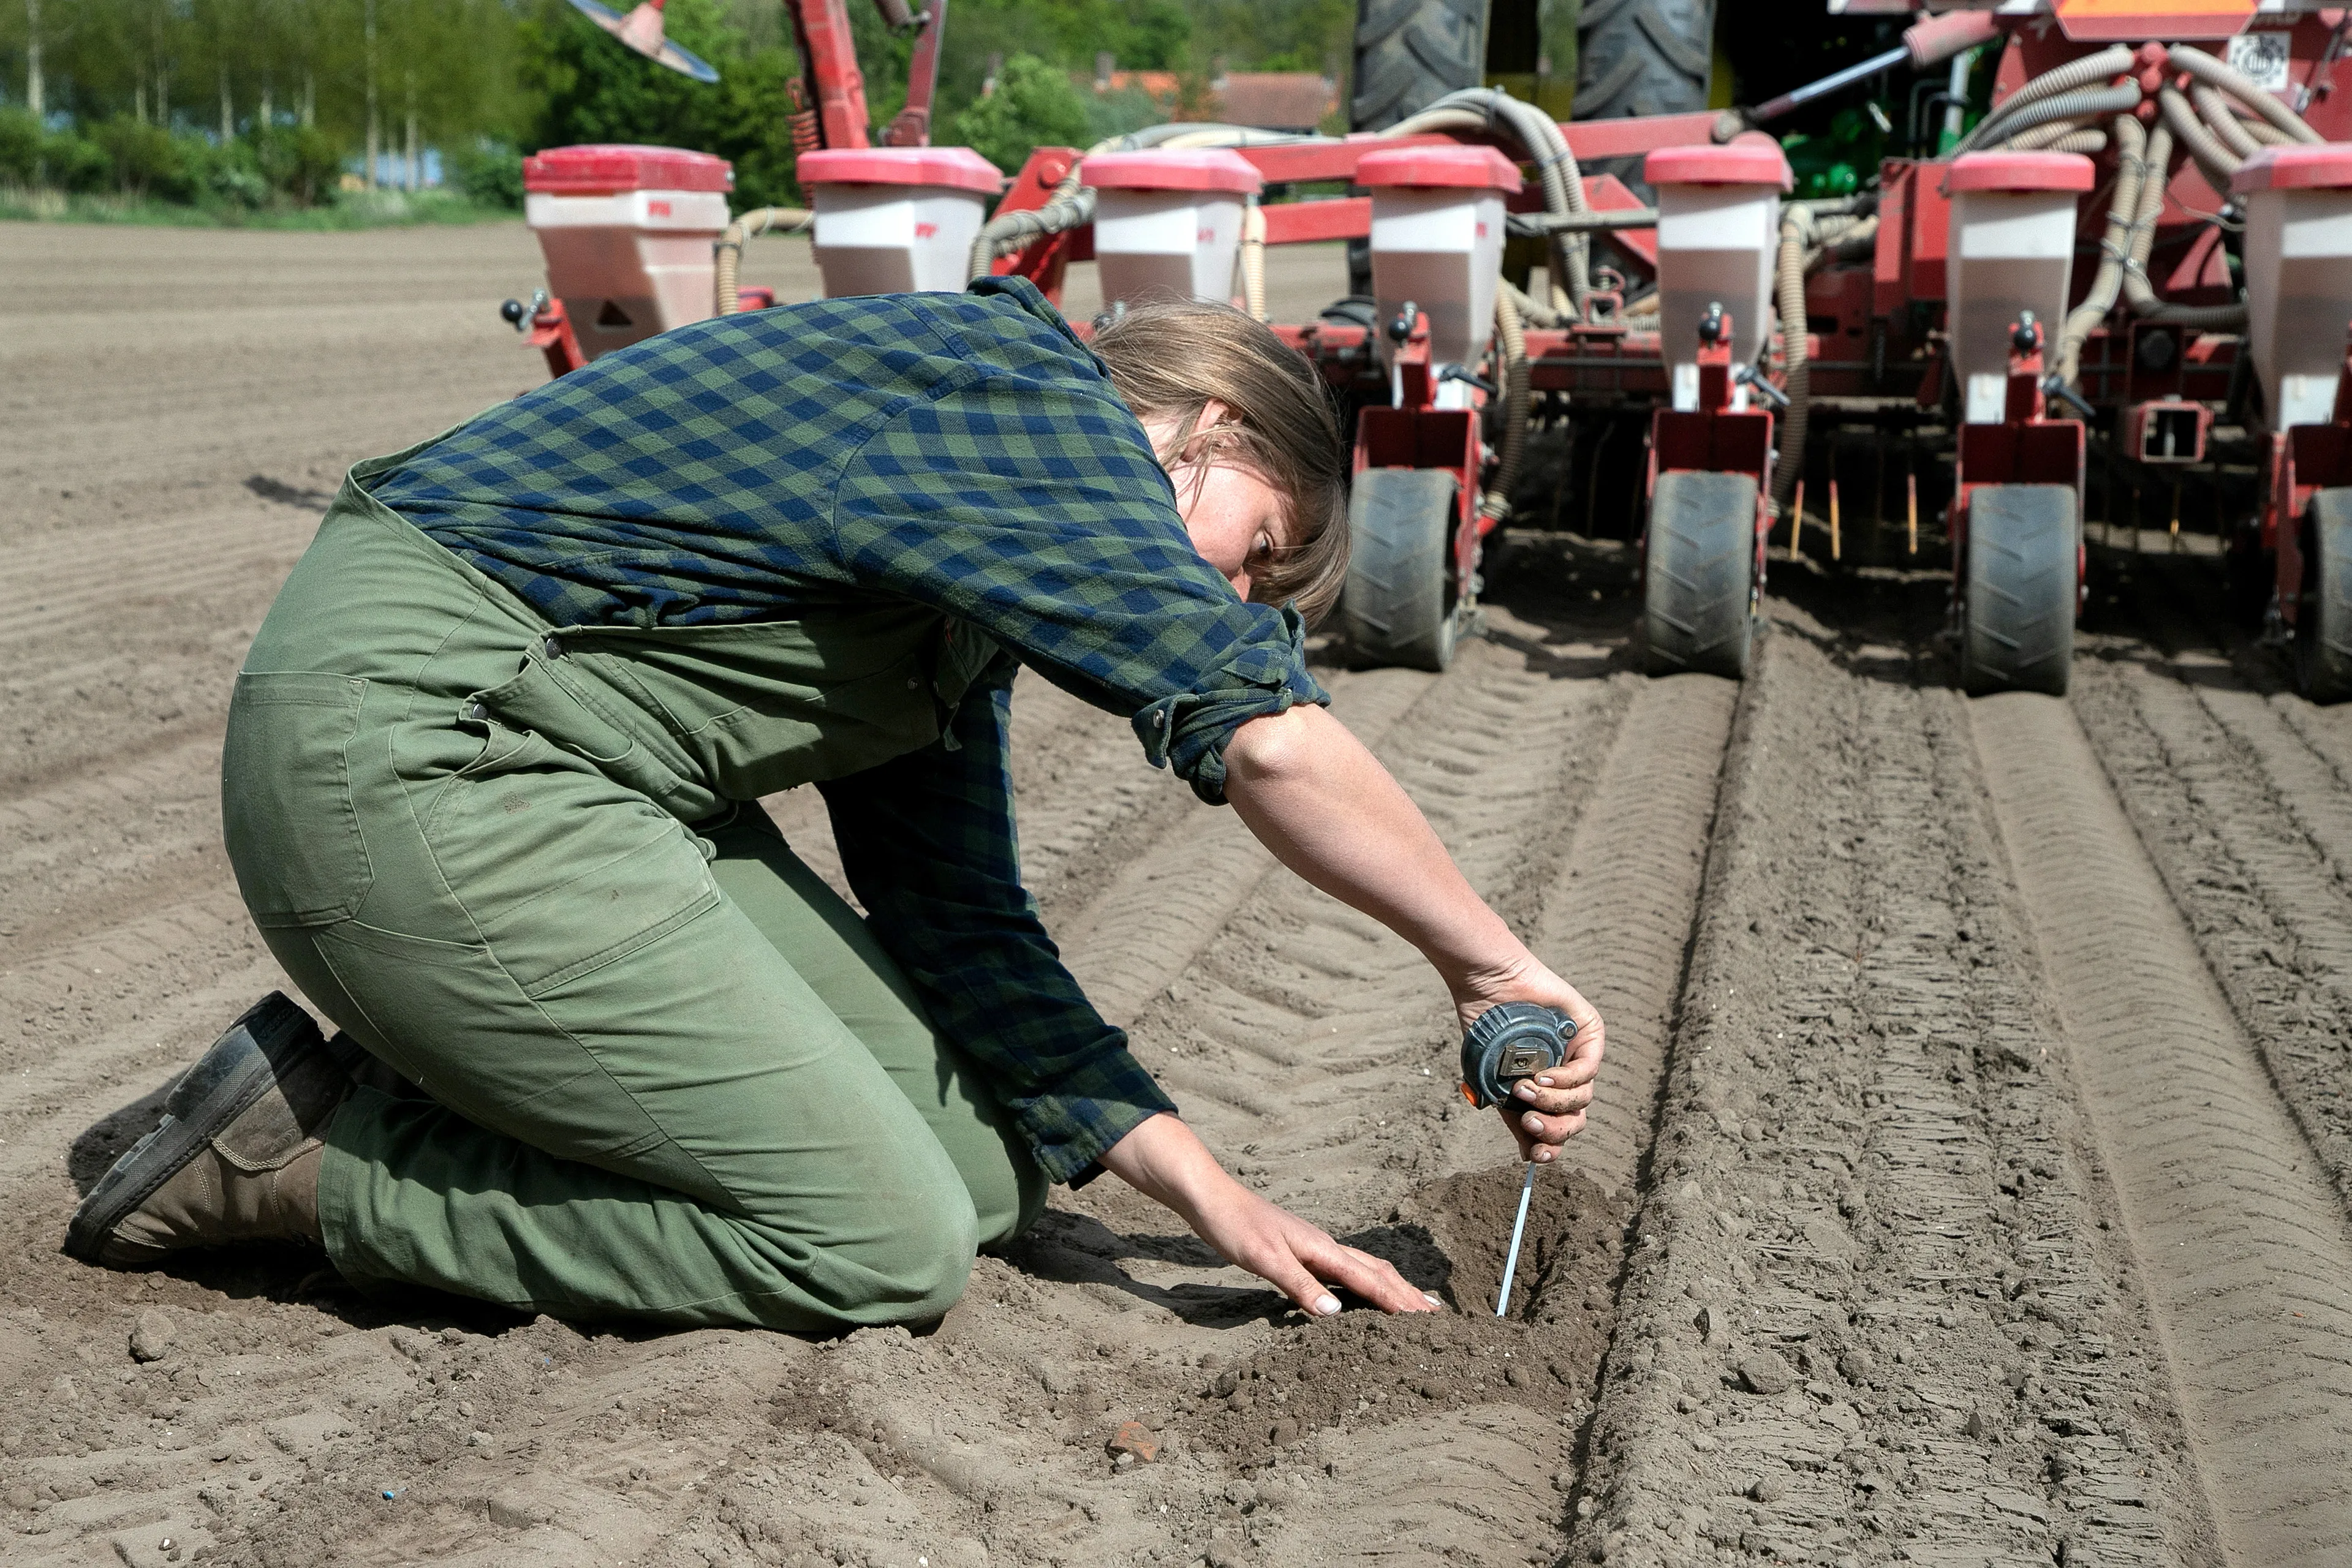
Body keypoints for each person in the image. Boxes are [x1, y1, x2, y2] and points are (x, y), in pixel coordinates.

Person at [66, 277, 1603, 1329]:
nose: (1233, 593)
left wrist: (1215, 1197)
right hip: (411, 744)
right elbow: (1263, 736)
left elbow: (958, 917)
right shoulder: (1018, 403)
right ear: (1204, 426)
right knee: (881, 1240)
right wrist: (1488, 962)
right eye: (1255, 547)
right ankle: (306, 1168)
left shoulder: (958, 579)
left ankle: (493, 1067)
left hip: (569, 780)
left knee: (992, 1168)